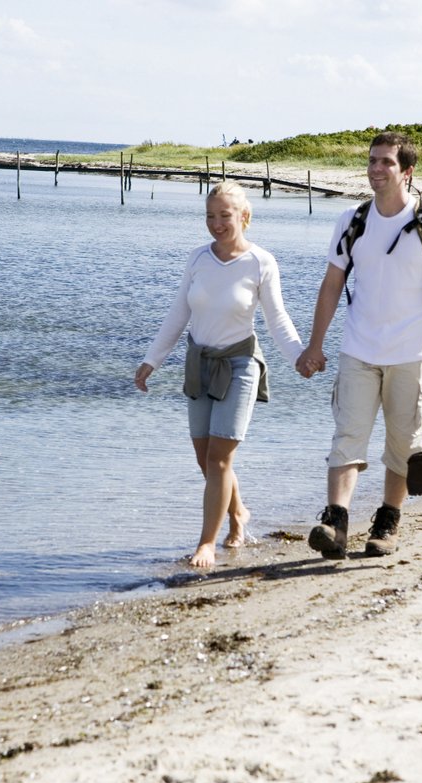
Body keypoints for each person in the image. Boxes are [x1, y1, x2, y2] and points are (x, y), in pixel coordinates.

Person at [295, 131, 422, 559]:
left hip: (413, 352)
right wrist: (315, 344)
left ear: (407, 171)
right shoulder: (352, 221)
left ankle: (387, 524)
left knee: (404, 447)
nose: (376, 169)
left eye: (386, 162)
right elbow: (332, 284)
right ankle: (335, 523)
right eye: (372, 161)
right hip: (359, 350)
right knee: (347, 437)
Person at [136, 180, 304, 570]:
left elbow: (276, 319)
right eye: (210, 216)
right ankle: (238, 514)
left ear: (244, 217)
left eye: (224, 216)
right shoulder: (198, 259)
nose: (216, 224)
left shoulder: (261, 262)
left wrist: (299, 356)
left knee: (219, 457)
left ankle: (206, 543)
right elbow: (179, 313)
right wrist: (151, 361)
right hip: (199, 362)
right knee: (205, 459)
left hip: (240, 364)